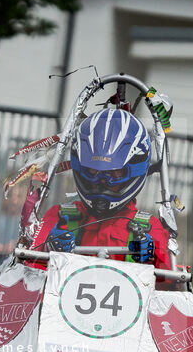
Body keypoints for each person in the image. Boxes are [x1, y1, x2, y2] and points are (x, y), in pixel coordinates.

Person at [30, 108, 172, 270]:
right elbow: (27, 272)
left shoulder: (149, 228)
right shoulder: (60, 218)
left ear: (134, 171)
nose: (102, 181)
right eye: (93, 171)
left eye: (114, 173)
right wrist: (47, 252)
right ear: (81, 167)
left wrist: (150, 261)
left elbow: (169, 285)